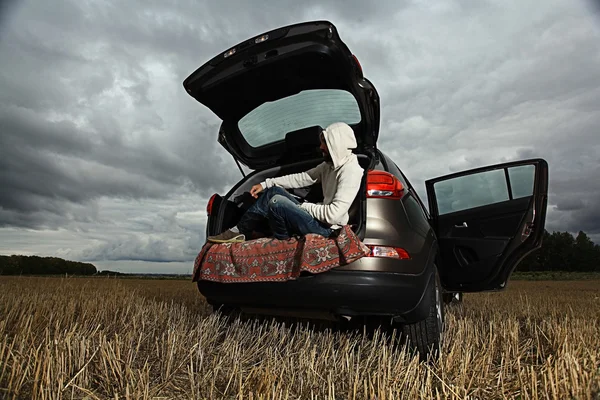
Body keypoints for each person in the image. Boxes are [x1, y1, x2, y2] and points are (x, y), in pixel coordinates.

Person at [207, 122, 364, 243]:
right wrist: (266, 183)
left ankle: (281, 239)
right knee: (272, 192)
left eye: (325, 143)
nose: (321, 147)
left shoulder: (351, 171)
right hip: (318, 219)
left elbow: (333, 216)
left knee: (277, 203)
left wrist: (301, 207)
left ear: (337, 145)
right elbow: (302, 177)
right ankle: (239, 231)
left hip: (326, 229)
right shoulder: (328, 165)